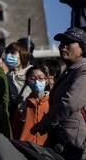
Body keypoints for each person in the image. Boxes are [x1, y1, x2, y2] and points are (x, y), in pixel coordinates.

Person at [31, 27, 86, 160]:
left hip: (73, 140)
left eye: (69, 43)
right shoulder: (68, 71)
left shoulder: (83, 70)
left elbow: (70, 103)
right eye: (62, 43)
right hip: (60, 138)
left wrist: (45, 123)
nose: (63, 47)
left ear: (83, 48)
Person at [13, 65, 50, 145]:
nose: (37, 82)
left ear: (46, 80)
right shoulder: (22, 106)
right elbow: (16, 130)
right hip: (26, 147)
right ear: (27, 82)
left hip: (46, 149)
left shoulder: (52, 103)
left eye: (40, 78)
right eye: (33, 79)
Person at [3, 42, 32, 119]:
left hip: (30, 115)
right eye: (7, 53)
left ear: (22, 55)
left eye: (13, 53)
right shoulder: (8, 76)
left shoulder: (32, 73)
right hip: (15, 117)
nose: (9, 55)